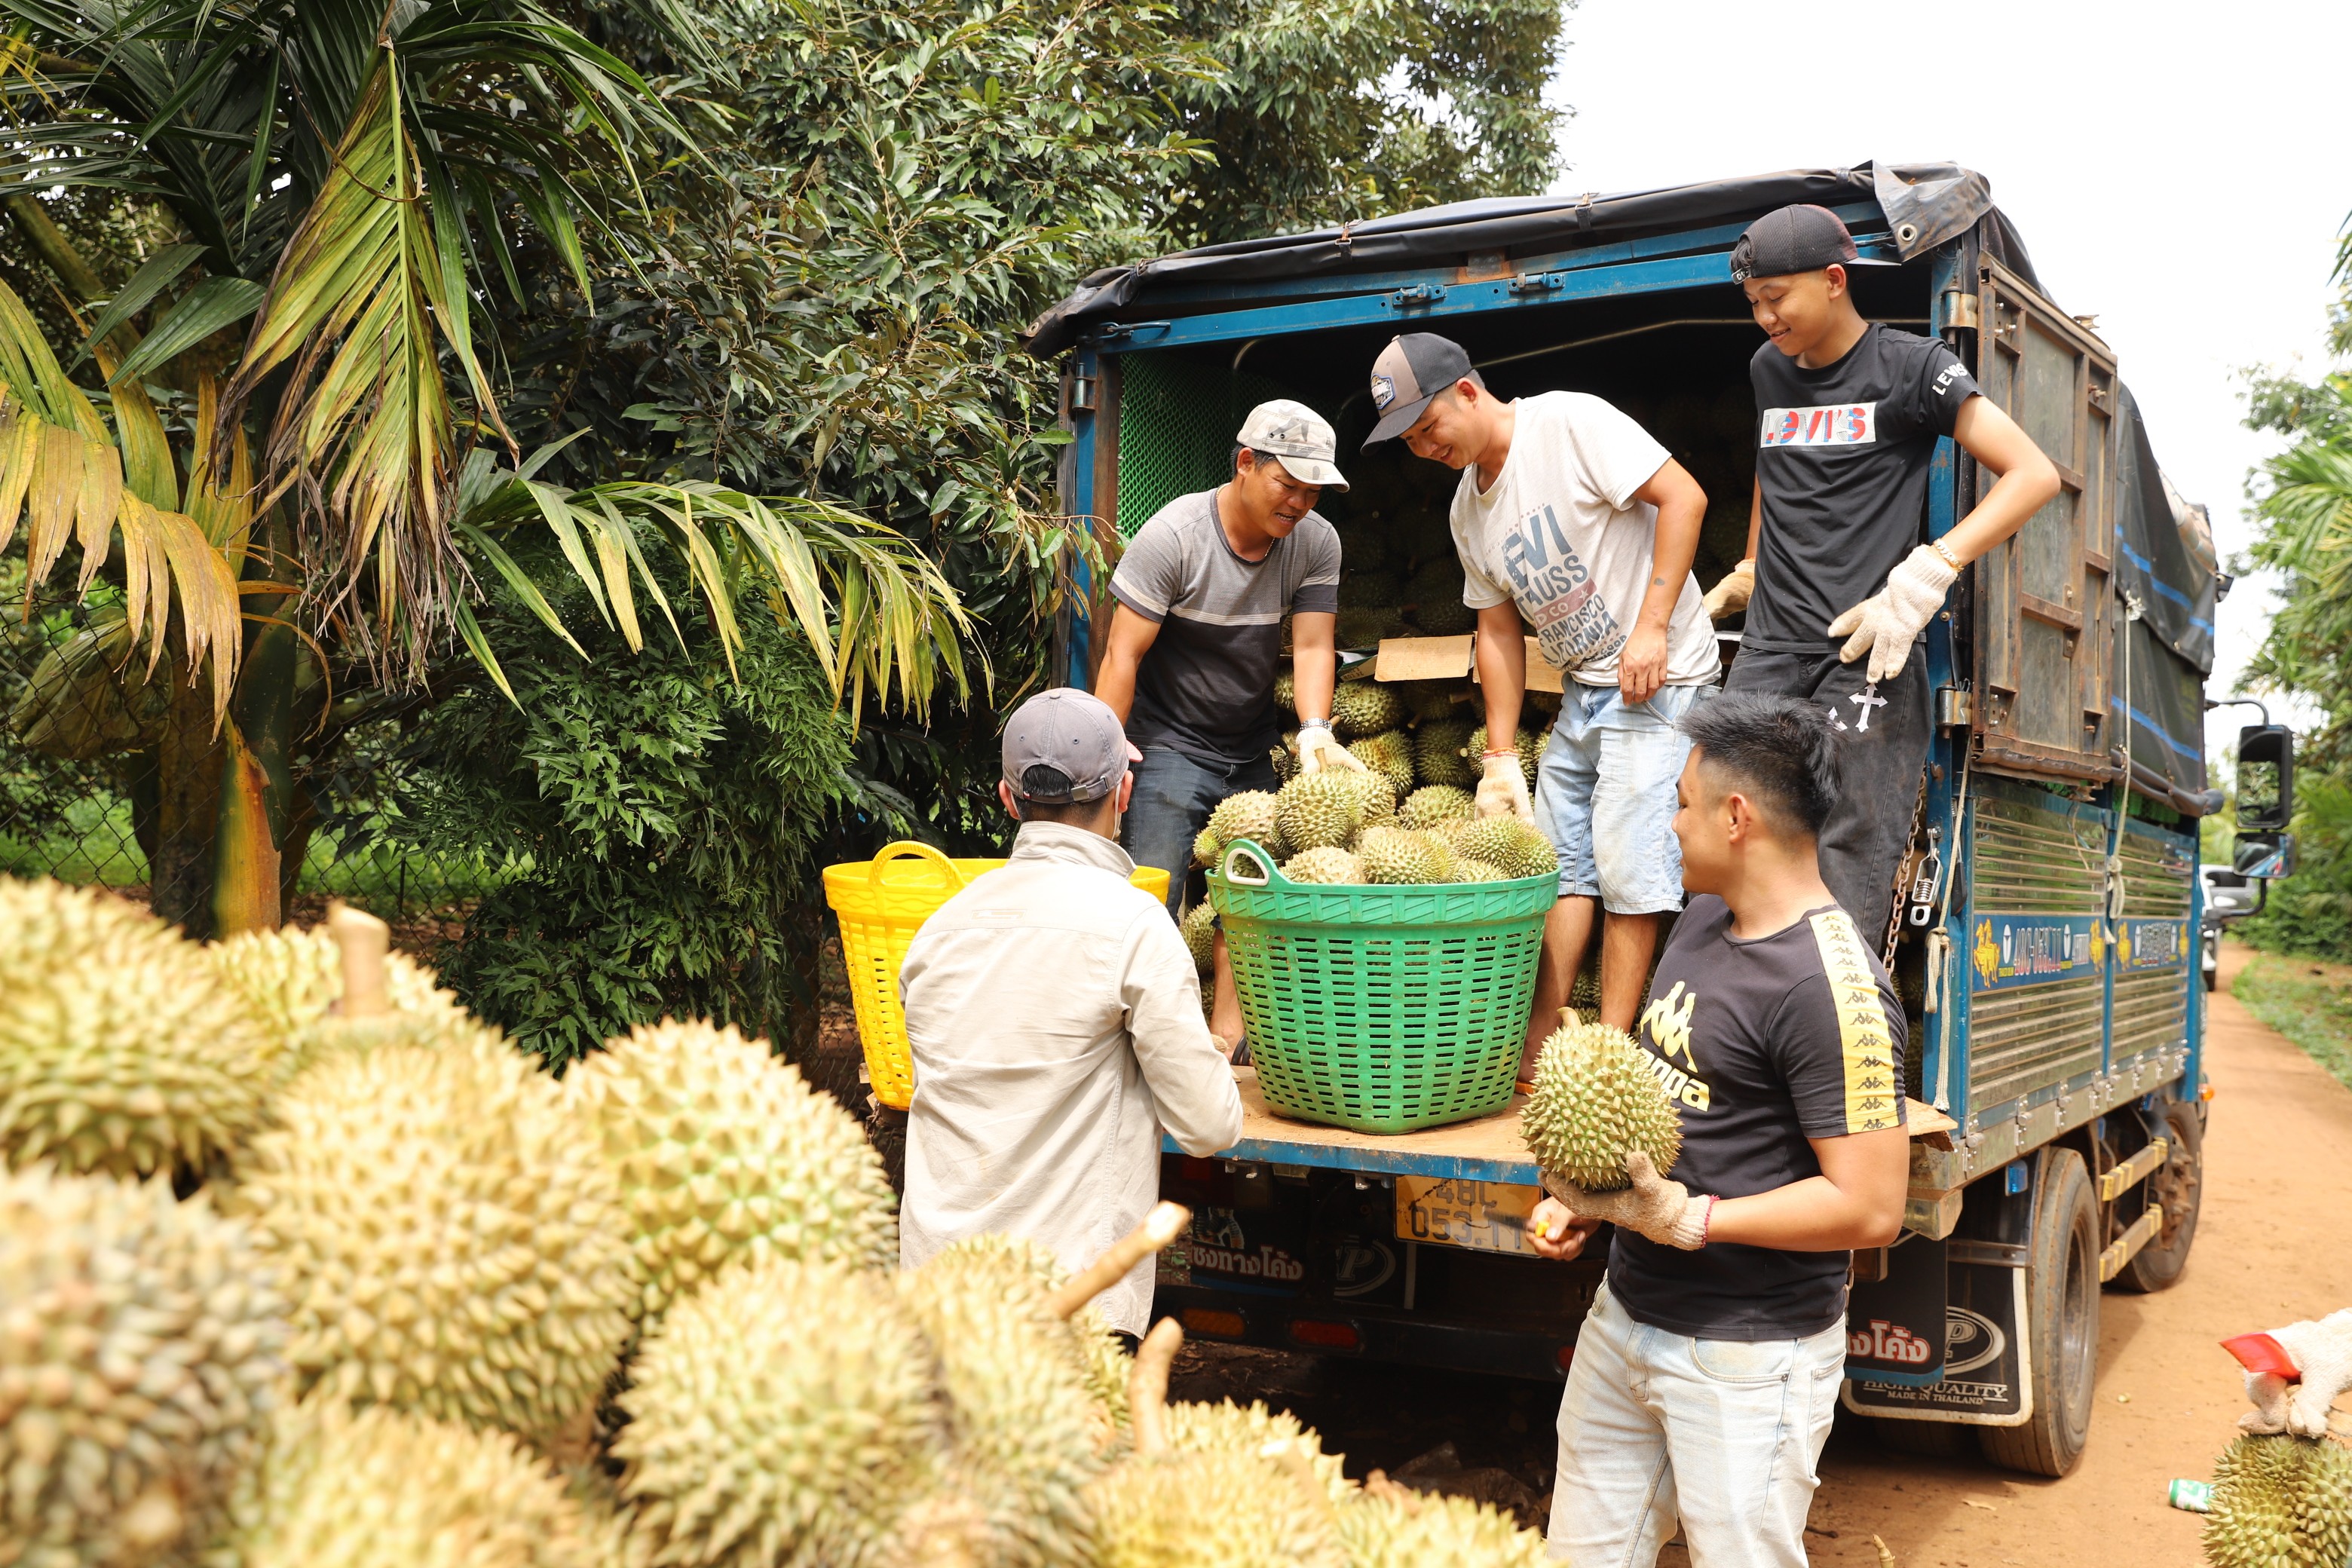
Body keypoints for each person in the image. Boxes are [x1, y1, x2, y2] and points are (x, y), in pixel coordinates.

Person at [1527, 691, 1911, 1568]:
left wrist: (1693, 1219)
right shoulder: (1701, 921)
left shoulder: (1831, 987)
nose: (1670, 824)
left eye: (1683, 804)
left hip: (1748, 1359)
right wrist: (1605, 1205)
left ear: (1736, 817)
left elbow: (1871, 1206)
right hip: (1627, 1315)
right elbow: (1685, 1109)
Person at [1703, 203, 2061, 948]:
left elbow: (2033, 474)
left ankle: (1833, 1047)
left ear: (1834, 280)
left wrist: (1937, 564)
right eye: (1753, 304)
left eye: (1777, 299)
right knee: (1720, 836)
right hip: (1769, 650)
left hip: (1865, 651)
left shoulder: (1913, 368)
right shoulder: (1767, 369)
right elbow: (1777, 464)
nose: (1765, 319)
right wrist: (1751, 559)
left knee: (1843, 864)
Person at [1364, 332, 1720, 1071]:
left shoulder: (1568, 424)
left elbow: (1685, 496)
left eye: (1429, 427)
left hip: (1663, 680)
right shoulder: (1468, 511)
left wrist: (1652, 629)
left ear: (1467, 390)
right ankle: (1544, 1035)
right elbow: (1495, 632)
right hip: (1584, 691)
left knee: (1629, 864)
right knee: (1555, 869)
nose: (1426, 448)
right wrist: (1499, 753)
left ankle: (1609, 1053)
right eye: (1410, 442)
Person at [896, 688, 1243, 1337]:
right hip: (1067, 1309)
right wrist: (1210, 1059)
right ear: (1124, 794)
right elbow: (1207, 1127)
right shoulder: (1136, 927)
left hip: (934, 1298)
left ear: (1008, 801)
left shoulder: (935, 934)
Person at [1095, 399, 1366, 1051]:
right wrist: (1104, 760)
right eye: (1288, 485)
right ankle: (1136, 1043)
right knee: (1151, 899)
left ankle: (1230, 1038)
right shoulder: (1175, 537)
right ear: (1246, 464)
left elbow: (1310, 647)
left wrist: (1314, 729)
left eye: (1313, 492)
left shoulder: (1316, 544)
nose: (1300, 504)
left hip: (1247, 745)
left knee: (1251, 898)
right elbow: (1121, 655)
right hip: (1168, 742)